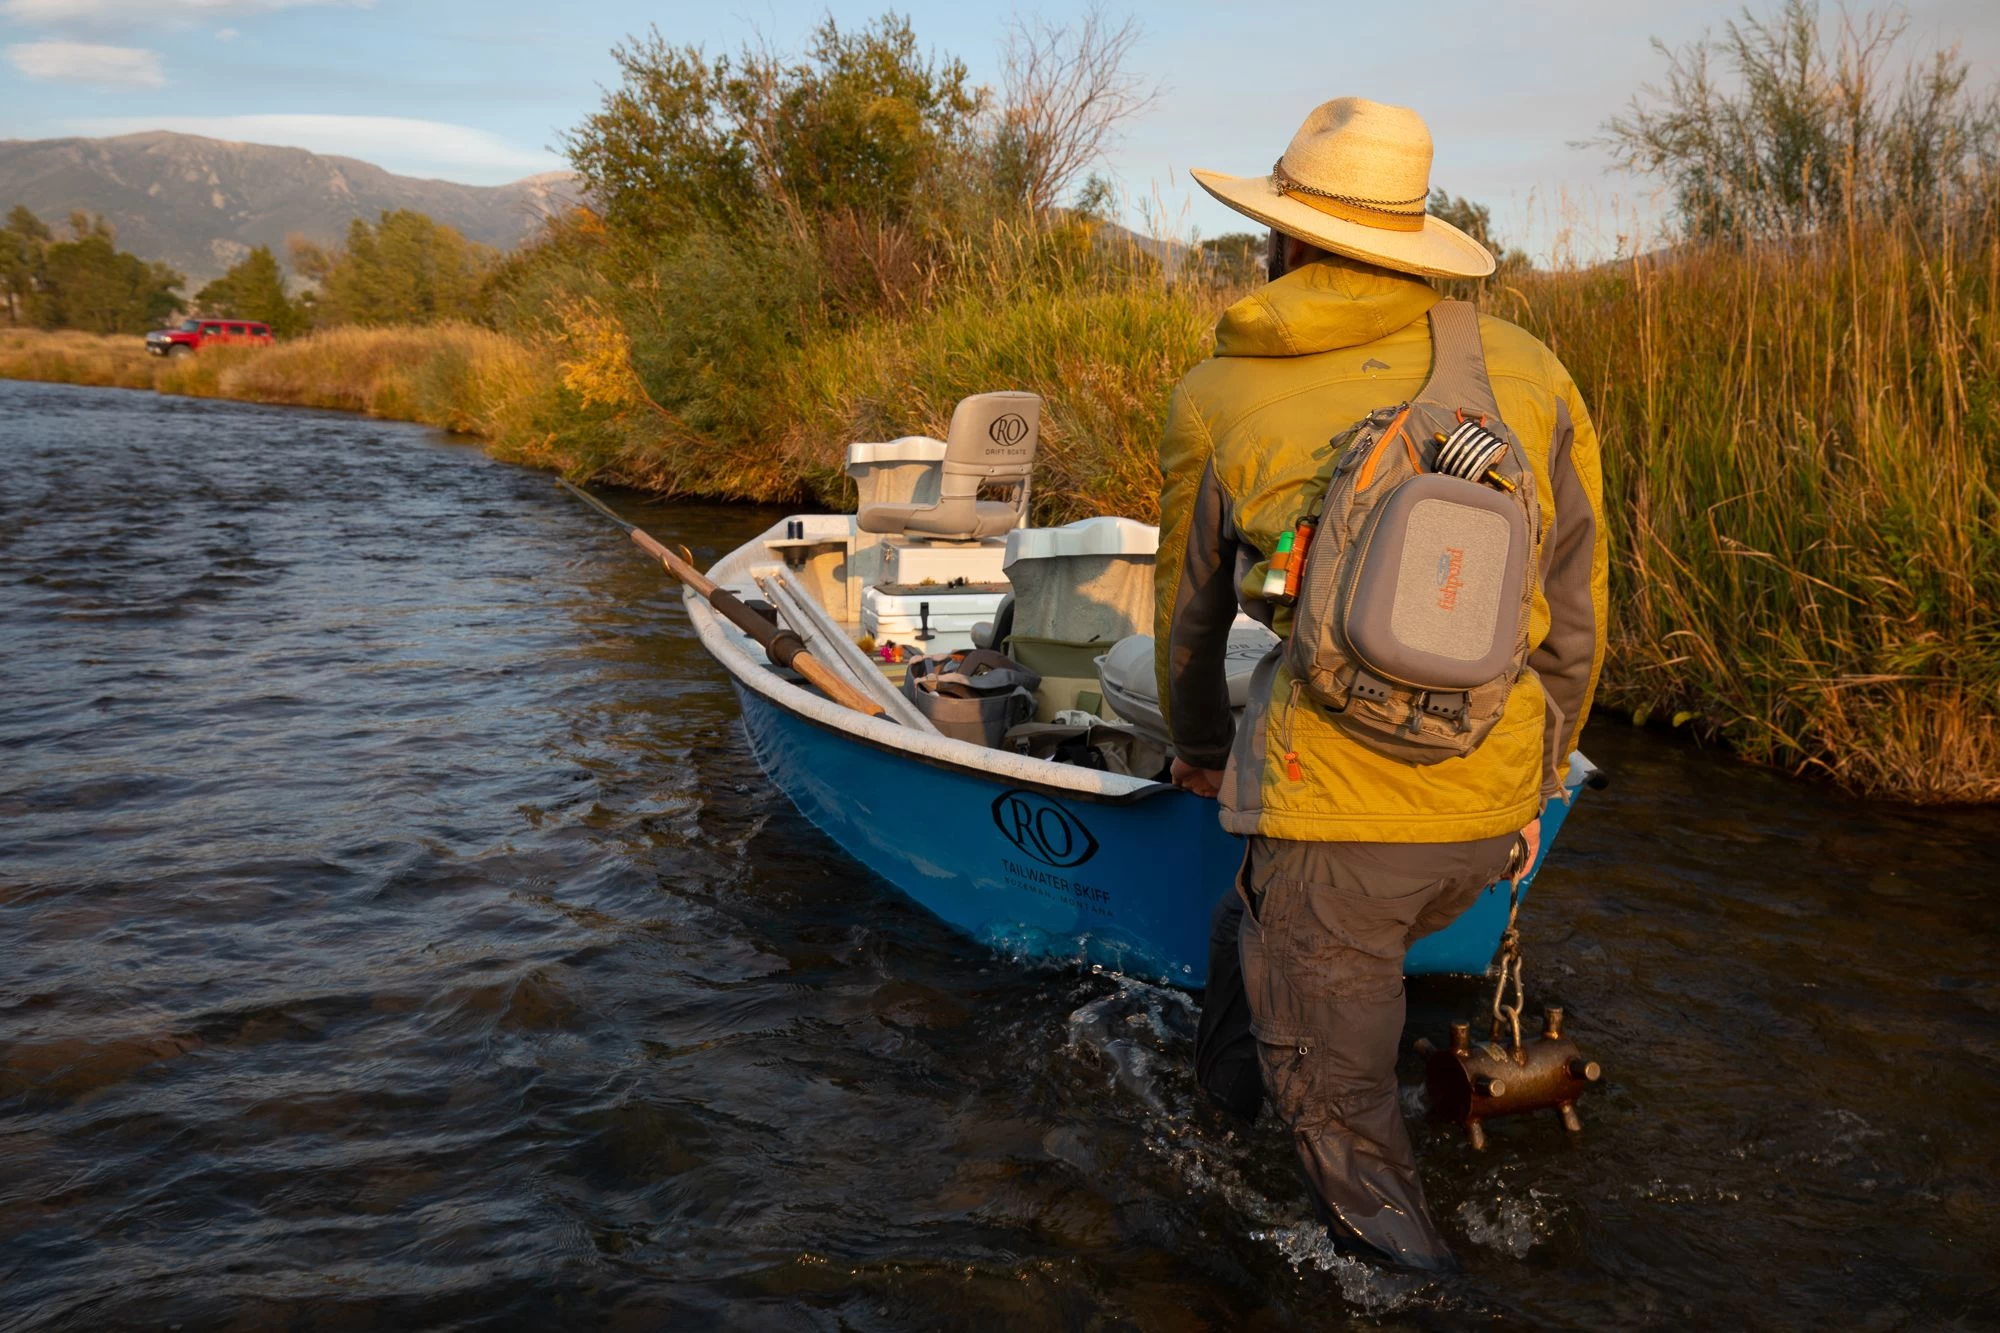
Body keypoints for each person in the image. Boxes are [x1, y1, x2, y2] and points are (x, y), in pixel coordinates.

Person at [1154, 98, 1608, 1273]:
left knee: (1345, 1127)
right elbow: (1572, 610)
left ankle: (1416, 1290)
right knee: (1249, 928)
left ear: (1283, 236)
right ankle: (1218, 1122)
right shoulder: (1532, 371)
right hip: (1485, 811)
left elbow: (1189, 615)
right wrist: (1534, 782)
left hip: (1333, 829)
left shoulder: (1215, 393)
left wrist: (1197, 746)